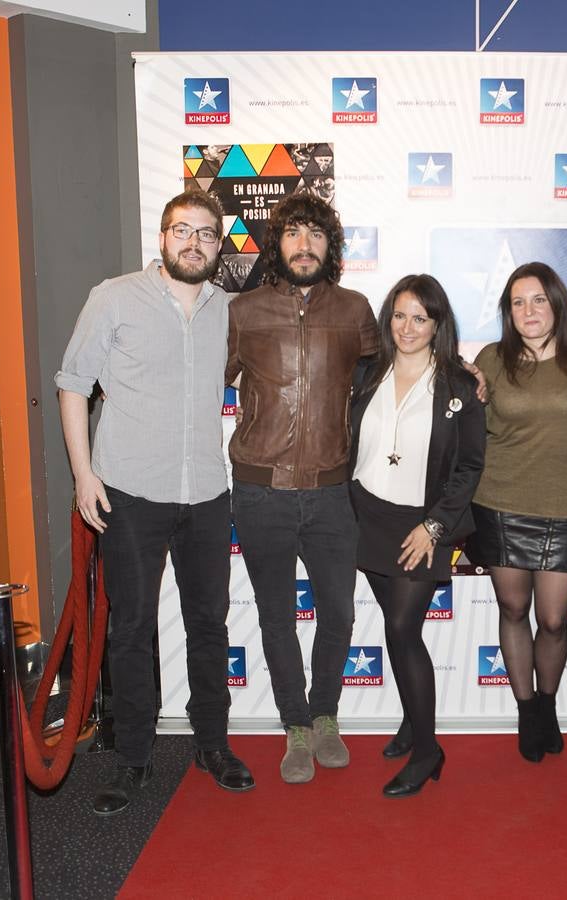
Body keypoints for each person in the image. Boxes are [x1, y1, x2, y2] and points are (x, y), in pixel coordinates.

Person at [56, 189, 253, 816]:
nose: (193, 242)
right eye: (181, 231)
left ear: (219, 245)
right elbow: (71, 383)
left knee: (209, 626)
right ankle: (133, 758)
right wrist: (84, 475)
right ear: (162, 238)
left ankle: (212, 744)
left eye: (205, 233)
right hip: (130, 493)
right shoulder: (113, 297)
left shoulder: (231, 310)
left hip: (206, 494)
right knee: (132, 629)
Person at [225, 193, 379, 784]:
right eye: (293, 233)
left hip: (333, 490)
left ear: (330, 246)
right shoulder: (244, 312)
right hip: (260, 490)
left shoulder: (356, 310)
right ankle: (294, 724)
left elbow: (393, 375)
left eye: (316, 234)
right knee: (275, 615)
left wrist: (463, 373)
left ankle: (325, 716)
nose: (305, 244)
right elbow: (201, 378)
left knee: (338, 612)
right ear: (277, 243)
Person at [348, 274, 486, 797]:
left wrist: (434, 527)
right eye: (400, 315)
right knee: (394, 624)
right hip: (366, 514)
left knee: (403, 629)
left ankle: (428, 749)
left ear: (437, 325)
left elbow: (469, 466)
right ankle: (413, 719)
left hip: (423, 524)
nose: (408, 327)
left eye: (420, 318)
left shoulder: (459, 385)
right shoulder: (364, 371)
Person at [467, 262, 567, 762]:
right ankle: (528, 711)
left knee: (552, 619)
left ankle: (549, 702)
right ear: (508, 311)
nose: (529, 310)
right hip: (500, 500)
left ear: (556, 304)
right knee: (513, 610)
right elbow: (465, 428)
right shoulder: (492, 360)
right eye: (518, 302)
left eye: (538, 299)